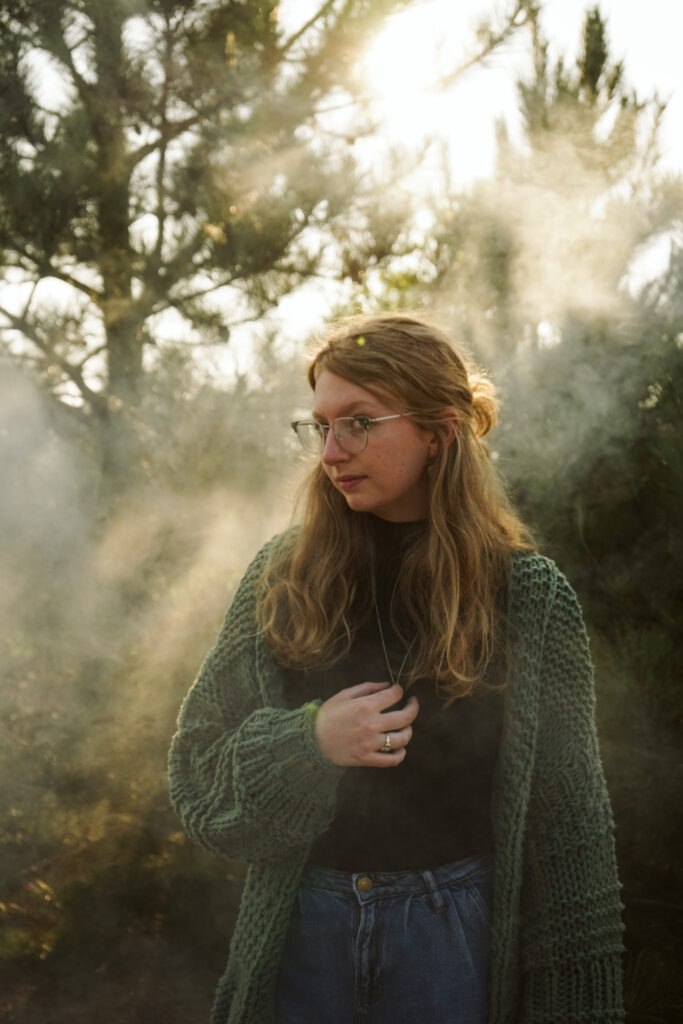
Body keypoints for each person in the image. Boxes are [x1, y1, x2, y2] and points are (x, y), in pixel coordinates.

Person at [168, 312, 625, 1024]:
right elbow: (198, 779)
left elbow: (569, 830)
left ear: (439, 433)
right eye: (319, 426)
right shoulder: (282, 577)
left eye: (359, 422)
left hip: (455, 937)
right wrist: (308, 744)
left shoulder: (527, 597)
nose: (331, 451)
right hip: (304, 932)